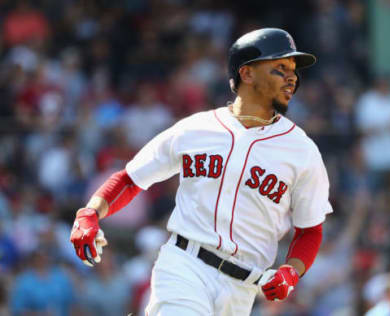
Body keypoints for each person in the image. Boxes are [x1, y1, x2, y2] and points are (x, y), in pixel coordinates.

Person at [70, 28, 333, 316]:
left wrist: (291, 272)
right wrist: (90, 212)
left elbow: (310, 230)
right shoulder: (196, 128)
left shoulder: (302, 150)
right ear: (247, 74)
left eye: (293, 70)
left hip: (242, 288)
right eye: (280, 68)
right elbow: (130, 179)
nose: (292, 77)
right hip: (185, 265)